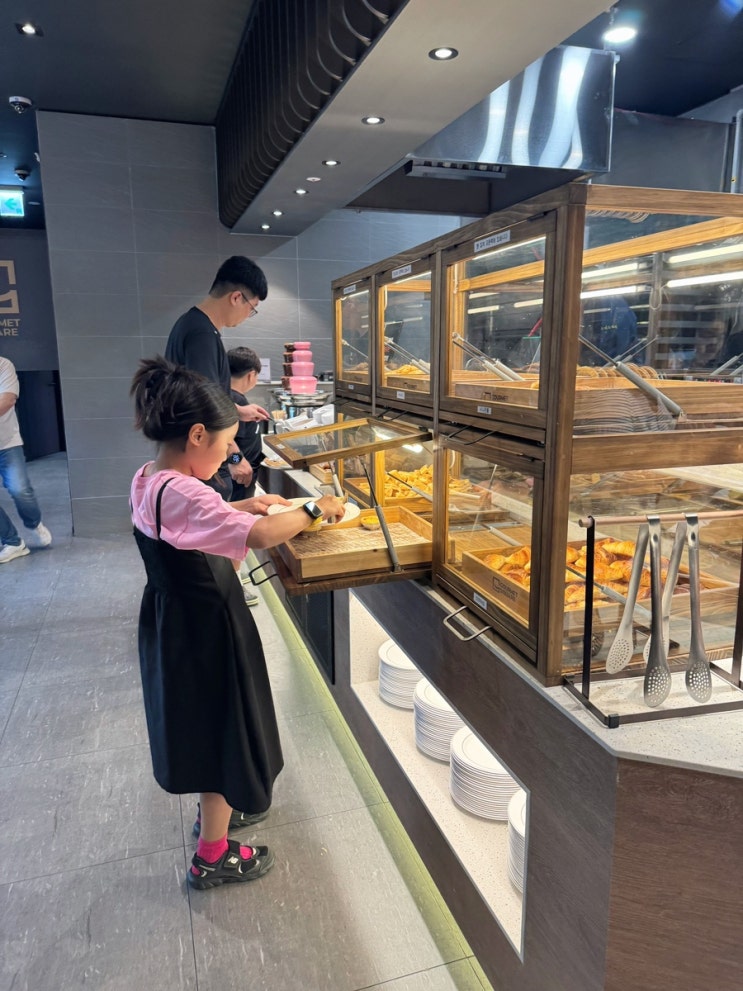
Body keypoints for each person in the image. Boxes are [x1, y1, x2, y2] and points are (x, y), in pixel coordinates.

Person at [129, 357, 343, 889]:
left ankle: (219, 814)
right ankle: (213, 855)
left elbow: (190, 524)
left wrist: (246, 504)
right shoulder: (188, 491)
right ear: (196, 434)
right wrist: (316, 509)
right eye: (225, 443)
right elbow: (264, 537)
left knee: (208, 725)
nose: (229, 453)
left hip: (174, 620)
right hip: (209, 626)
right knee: (223, 729)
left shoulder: (150, 478)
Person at [164, 256, 270, 502]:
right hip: (202, 462)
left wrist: (239, 411)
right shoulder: (202, 335)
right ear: (236, 297)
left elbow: (204, 391)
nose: (248, 315)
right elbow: (207, 409)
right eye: (252, 308)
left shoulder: (191, 325)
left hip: (192, 457)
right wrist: (235, 457)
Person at [0, 356, 52, 564]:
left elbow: (7, 400)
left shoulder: (3, 365)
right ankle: (13, 542)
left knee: (19, 489)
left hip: (6, 443)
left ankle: (34, 523)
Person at [228, 347, 264, 503]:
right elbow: (226, 441)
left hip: (238, 476)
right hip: (239, 478)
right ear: (251, 375)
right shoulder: (237, 401)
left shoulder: (227, 397)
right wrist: (237, 461)